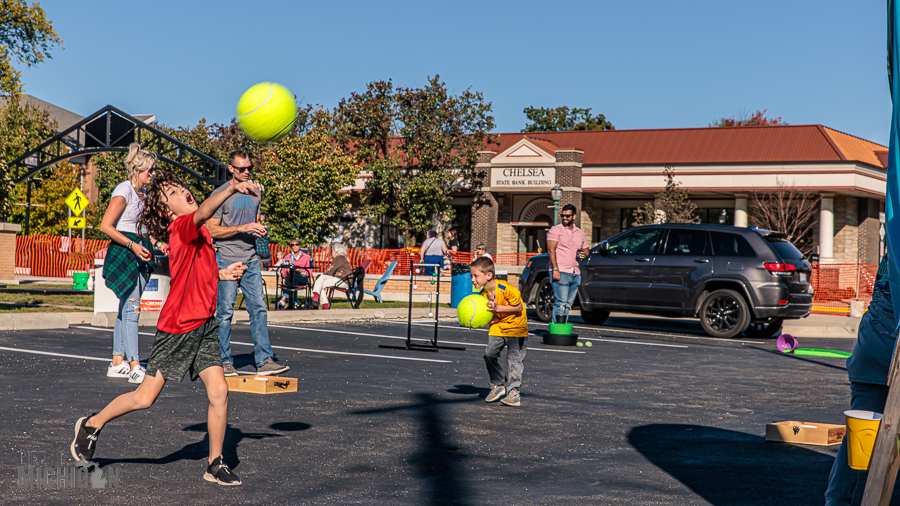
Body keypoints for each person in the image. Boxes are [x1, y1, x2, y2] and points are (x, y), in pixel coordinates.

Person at [70, 170, 256, 486]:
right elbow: (206, 211)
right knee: (145, 398)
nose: (184, 191)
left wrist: (223, 275)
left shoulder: (199, 234)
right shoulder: (182, 226)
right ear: (164, 210)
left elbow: (194, 273)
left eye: (182, 186)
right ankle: (92, 424)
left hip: (204, 325)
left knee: (220, 391)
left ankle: (214, 463)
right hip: (178, 329)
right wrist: (231, 188)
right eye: (173, 192)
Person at [206, 150, 288, 377]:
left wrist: (259, 229)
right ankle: (223, 361)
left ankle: (264, 361)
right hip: (226, 259)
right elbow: (211, 230)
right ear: (231, 169)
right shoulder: (220, 194)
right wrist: (242, 228)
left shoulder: (256, 191)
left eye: (249, 167)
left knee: (259, 309)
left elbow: (254, 220)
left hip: (250, 259)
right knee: (224, 313)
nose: (247, 172)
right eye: (241, 168)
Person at [825, 256, 896, 505]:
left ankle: (837, 499)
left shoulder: (893, 251)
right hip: (886, 348)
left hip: (872, 346)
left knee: (860, 434)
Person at [98, 142, 159, 385]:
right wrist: (132, 245)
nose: (152, 174)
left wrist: (158, 243)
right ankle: (134, 365)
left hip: (141, 250)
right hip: (125, 251)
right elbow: (105, 226)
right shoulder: (124, 190)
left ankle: (116, 361)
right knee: (133, 308)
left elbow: (144, 228)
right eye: (150, 170)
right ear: (138, 169)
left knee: (126, 307)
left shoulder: (144, 194)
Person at [469, 256, 528, 407]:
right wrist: (477, 321)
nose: (472, 279)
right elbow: (493, 317)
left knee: (514, 361)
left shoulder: (505, 288)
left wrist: (498, 308)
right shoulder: (482, 296)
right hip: (499, 327)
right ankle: (498, 384)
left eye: (475, 276)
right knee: (489, 354)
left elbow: (519, 308)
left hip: (516, 328)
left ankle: (514, 393)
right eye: (471, 276)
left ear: (489, 275)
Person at [546, 204, 589, 324]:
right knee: (561, 302)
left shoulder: (580, 232)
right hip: (561, 271)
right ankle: (557, 329)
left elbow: (586, 249)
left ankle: (563, 328)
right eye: (562, 215)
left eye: (567, 216)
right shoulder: (556, 230)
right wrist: (555, 268)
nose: (564, 218)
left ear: (574, 216)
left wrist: (583, 255)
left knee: (567, 305)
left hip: (575, 273)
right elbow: (551, 249)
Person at [311, 244, 351, 310]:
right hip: (342, 280)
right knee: (320, 284)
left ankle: (315, 299)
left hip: (344, 281)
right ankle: (325, 306)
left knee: (321, 278)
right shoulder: (341, 258)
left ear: (336, 252)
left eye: (331, 251)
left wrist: (322, 275)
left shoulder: (339, 258)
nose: (331, 253)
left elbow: (330, 271)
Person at [277, 238, 312, 310]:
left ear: (300, 246)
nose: (295, 246)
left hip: (303, 279)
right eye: (293, 245)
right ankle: (294, 305)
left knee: (292, 277)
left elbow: (309, 273)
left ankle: (283, 298)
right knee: (293, 280)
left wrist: (301, 272)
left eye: (297, 244)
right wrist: (286, 271)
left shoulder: (306, 257)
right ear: (291, 246)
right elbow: (283, 274)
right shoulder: (287, 257)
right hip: (291, 279)